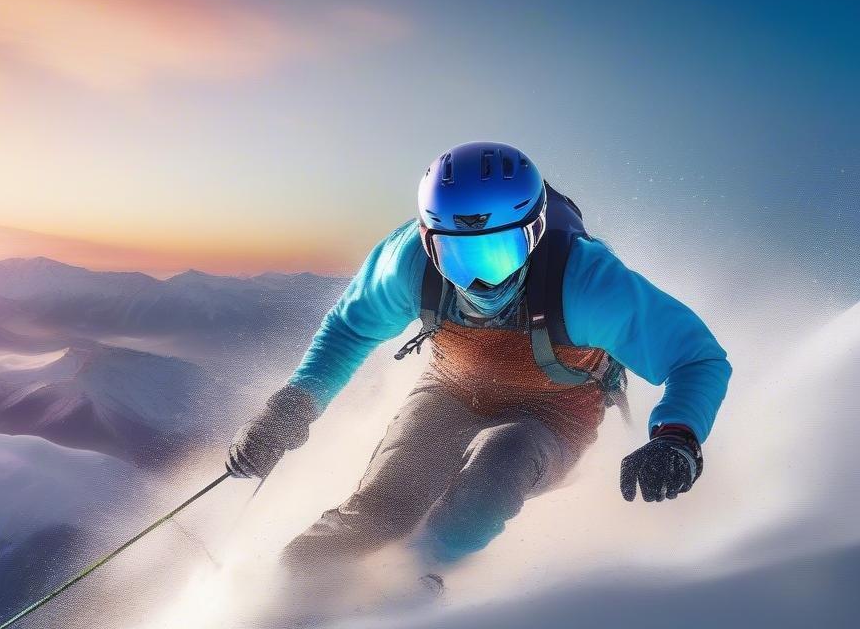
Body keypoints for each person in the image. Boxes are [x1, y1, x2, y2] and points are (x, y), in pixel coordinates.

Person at [227, 141, 731, 579]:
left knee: (494, 475)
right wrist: (291, 407)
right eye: (459, 258)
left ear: (535, 235)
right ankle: (292, 583)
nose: (479, 282)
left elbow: (697, 359)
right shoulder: (408, 264)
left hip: (555, 413)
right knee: (385, 504)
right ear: (428, 243)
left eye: (500, 254)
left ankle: (419, 579)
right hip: (450, 391)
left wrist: (676, 437)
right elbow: (350, 329)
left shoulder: (586, 283)